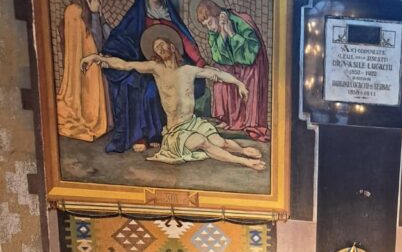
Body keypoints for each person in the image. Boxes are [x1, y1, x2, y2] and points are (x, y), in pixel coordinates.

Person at [82, 26, 266, 171]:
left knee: (221, 142)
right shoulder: (156, 68)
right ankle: (244, 162)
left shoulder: (188, 70)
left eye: (162, 45)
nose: (160, 49)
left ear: (172, 47)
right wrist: (97, 58)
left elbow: (216, 74)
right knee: (202, 142)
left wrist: (239, 83)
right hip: (176, 131)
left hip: (192, 123)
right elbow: (125, 65)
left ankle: (242, 150)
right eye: (156, 48)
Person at [102, 0, 205, 153]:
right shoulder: (137, 14)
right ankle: (140, 135)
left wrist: (199, 62)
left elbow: (185, 41)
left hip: (166, 67)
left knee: (155, 90)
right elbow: (121, 36)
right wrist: (111, 53)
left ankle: (157, 134)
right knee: (135, 87)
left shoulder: (169, 15)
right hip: (143, 64)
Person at [195, 0, 270, 142]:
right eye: (206, 26)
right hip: (234, 64)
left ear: (217, 15)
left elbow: (251, 54)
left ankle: (252, 125)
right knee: (221, 72)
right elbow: (218, 57)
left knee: (248, 79)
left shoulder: (241, 21)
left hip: (252, 63)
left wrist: (231, 33)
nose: (209, 28)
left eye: (210, 23)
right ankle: (230, 119)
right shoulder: (214, 32)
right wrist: (222, 36)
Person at [56, 0, 111, 141]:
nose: (98, 0)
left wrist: (97, 15)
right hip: (80, 64)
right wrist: (94, 15)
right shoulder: (73, 11)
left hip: (95, 60)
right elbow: (85, 44)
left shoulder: (92, 12)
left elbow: (105, 39)